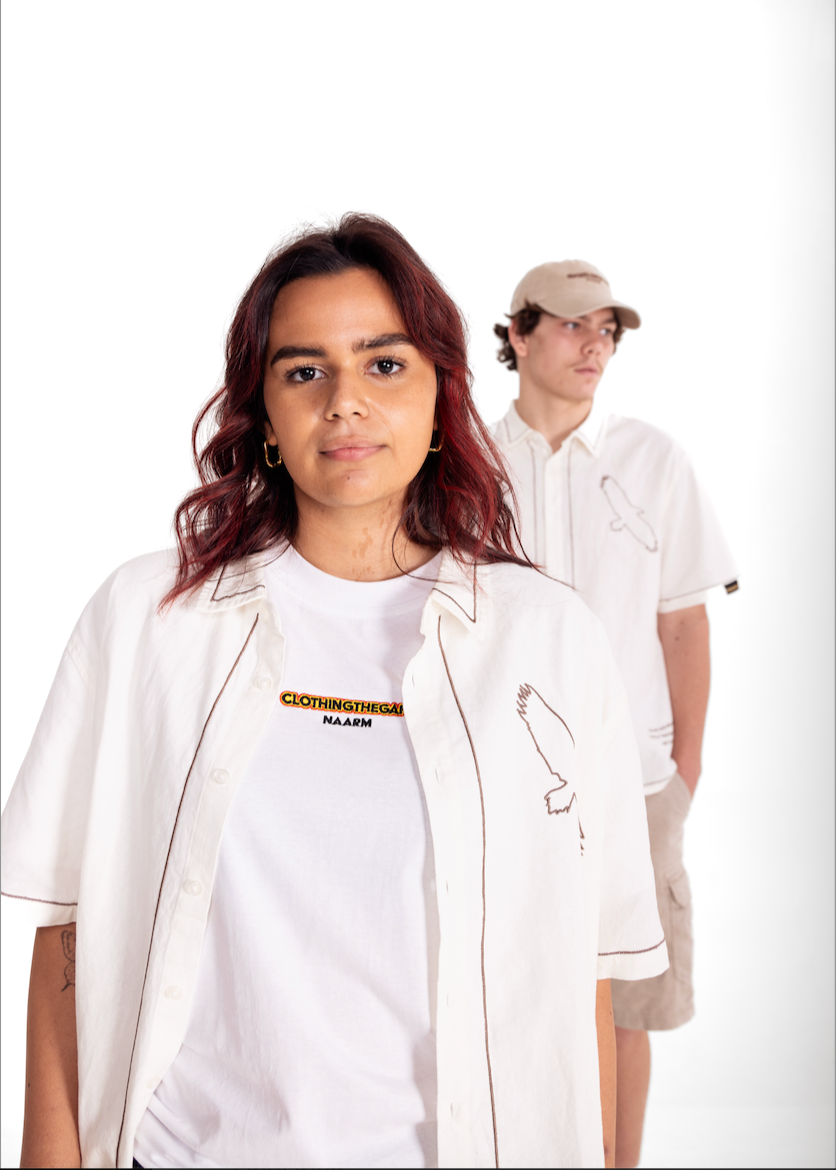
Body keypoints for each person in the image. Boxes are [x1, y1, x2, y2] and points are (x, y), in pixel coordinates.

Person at [2, 218, 668, 1170]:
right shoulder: (150, 620)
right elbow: (72, 928)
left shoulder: (548, 640)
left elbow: (582, 973)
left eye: (385, 365)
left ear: (443, 391)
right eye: (305, 371)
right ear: (264, 413)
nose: (345, 403)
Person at [491, 260, 739, 1168]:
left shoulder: (653, 459)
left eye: (608, 329)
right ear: (516, 335)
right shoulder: (470, 464)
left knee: (628, 998)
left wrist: (685, 775)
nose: (594, 344)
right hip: (511, 780)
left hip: (637, 781)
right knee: (524, 984)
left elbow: (683, 621)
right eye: (569, 325)